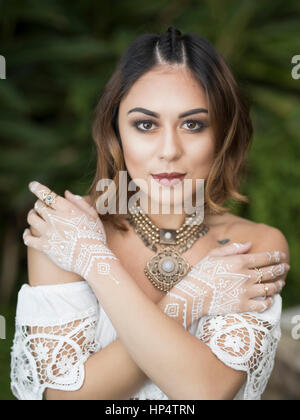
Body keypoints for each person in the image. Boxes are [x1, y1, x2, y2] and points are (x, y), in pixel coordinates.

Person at [11, 26, 290, 400]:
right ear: (116, 131)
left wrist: (94, 265)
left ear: (222, 134)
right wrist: (189, 298)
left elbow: (204, 391)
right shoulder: (67, 234)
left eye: (193, 124)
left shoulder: (252, 244)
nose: (169, 150)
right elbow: (64, 397)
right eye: (145, 125)